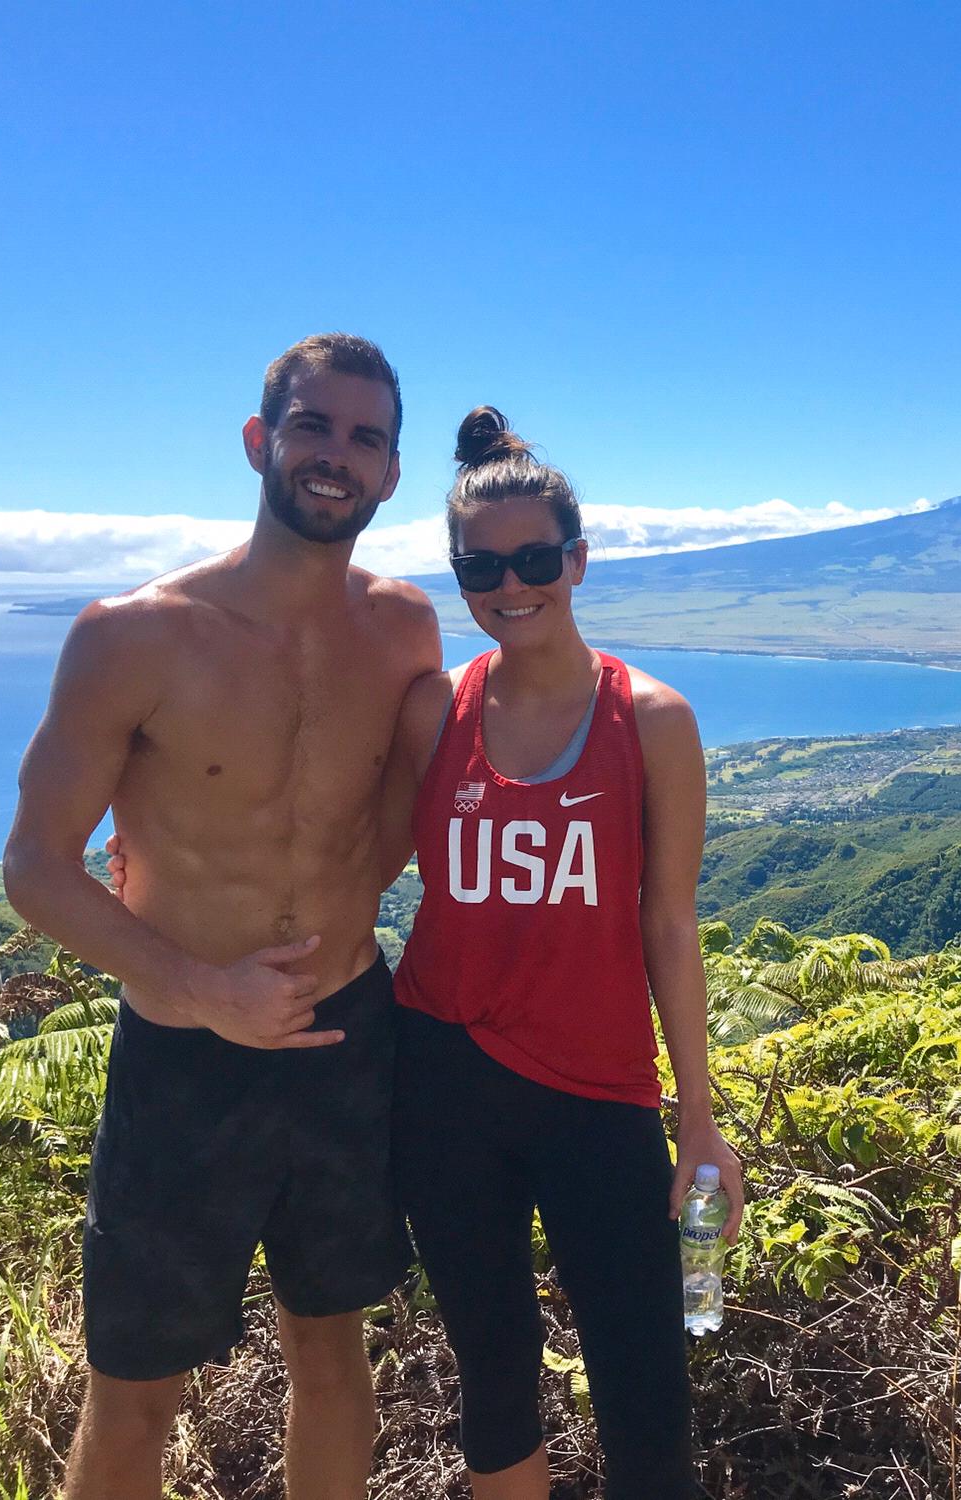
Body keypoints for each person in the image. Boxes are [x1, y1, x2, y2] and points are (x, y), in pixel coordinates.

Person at [1, 333, 442, 1500]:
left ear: (392, 472)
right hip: (187, 1054)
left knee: (333, 1349)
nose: (335, 456)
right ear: (260, 441)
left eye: (364, 437)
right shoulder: (132, 635)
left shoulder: (402, 630)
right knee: (136, 1384)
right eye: (312, 427)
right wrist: (204, 991)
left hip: (349, 1033)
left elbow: (399, 818)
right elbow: (36, 868)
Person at [385, 407, 745, 1499]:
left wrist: (698, 1113)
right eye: (481, 567)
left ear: (576, 562)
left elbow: (666, 924)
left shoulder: (653, 720)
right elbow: (357, 863)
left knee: (644, 1382)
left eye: (535, 559)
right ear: (457, 575)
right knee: (491, 1373)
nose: (510, 585)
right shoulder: (428, 712)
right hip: (441, 1075)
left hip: (596, 1091)